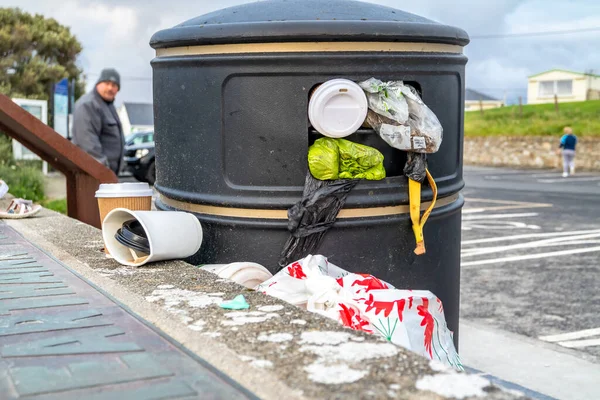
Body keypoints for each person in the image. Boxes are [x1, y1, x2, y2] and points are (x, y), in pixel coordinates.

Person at [72, 68, 124, 175]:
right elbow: (88, 144)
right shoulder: (88, 104)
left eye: (114, 85)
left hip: (105, 176)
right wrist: (105, 172)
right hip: (94, 175)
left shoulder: (108, 105)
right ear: (98, 84)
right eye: (107, 83)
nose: (110, 88)